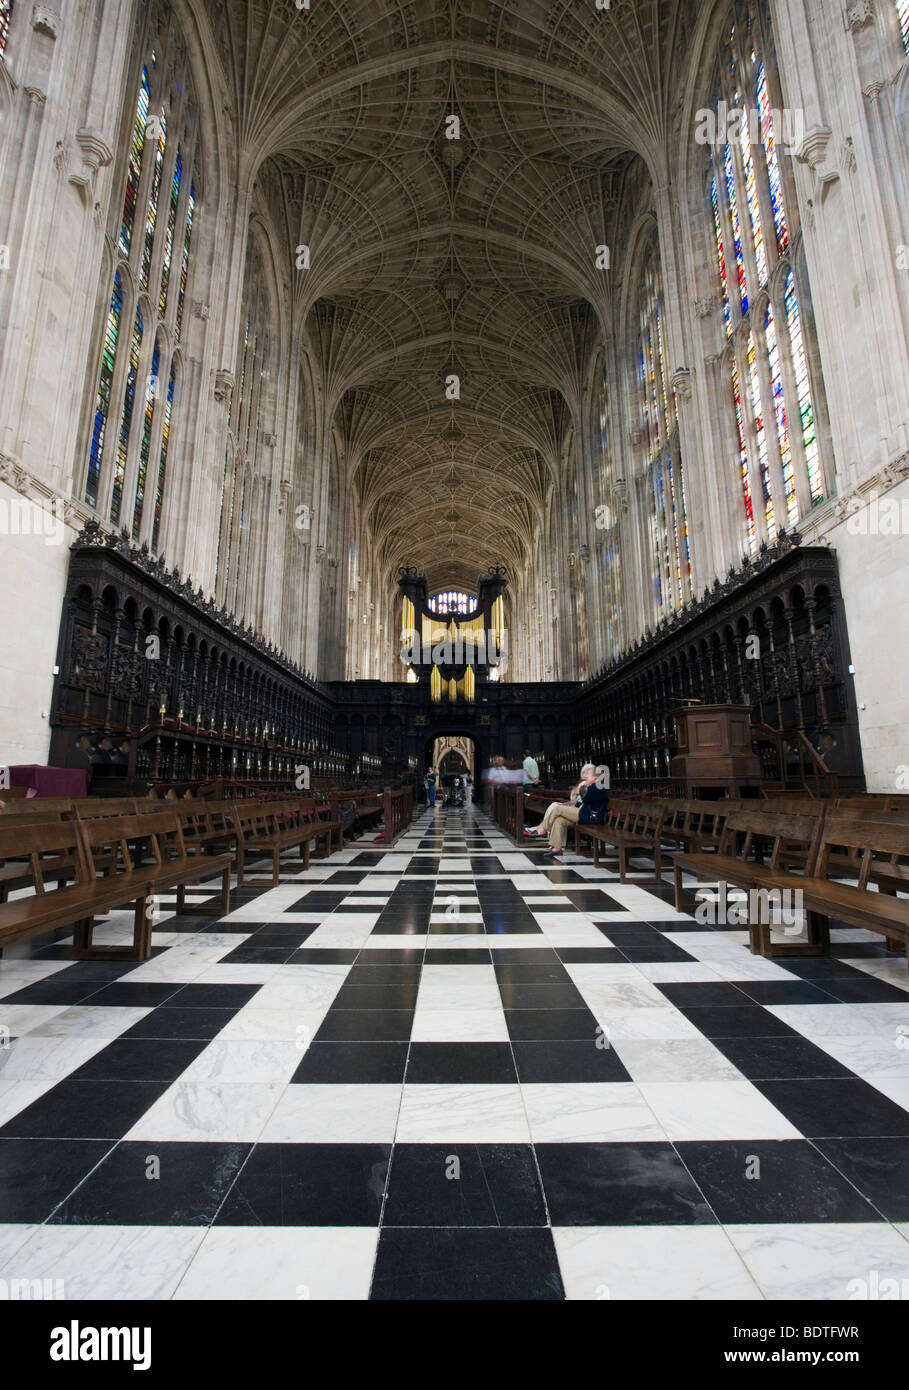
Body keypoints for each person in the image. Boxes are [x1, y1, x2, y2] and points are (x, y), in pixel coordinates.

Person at [525, 763, 609, 858]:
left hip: (591, 818)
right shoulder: (594, 786)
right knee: (559, 820)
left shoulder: (598, 787)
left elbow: (586, 798)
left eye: (588, 775)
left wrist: (581, 789)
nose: (585, 777)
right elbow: (581, 802)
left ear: (595, 777)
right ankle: (556, 848)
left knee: (557, 809)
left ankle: (542, 829)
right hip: (584, 814)